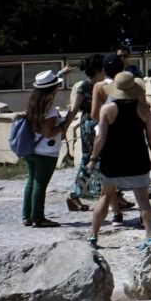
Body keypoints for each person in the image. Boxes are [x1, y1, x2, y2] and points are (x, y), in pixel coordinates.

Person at [88, 71, 151, 248]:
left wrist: (93, 158)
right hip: (138, 158)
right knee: (143, 199)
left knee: (105, 196)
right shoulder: (144, 110)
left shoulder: (107, 109)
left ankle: (93, 235)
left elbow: (100, 138)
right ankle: (149, 236)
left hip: (113, 159)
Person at [19, 70, 67, 228]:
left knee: (31, 182)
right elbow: (49, 133)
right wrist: (63, 125)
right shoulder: (50, 110)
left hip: (31, 148)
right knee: (40, 184)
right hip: (46, 152)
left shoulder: (32, 104)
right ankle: (38, 218)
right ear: (52, 89)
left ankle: (27, 216)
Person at [63, 55, 107, 213]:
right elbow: (74, 109)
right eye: (102, 67)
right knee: (90, 158)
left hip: (103, 124)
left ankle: (111, 194)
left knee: (105, 159)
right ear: (97, 70)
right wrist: (64, 129)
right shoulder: (84, 87)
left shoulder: (104, 85)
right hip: (90, 125)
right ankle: (74, 194)